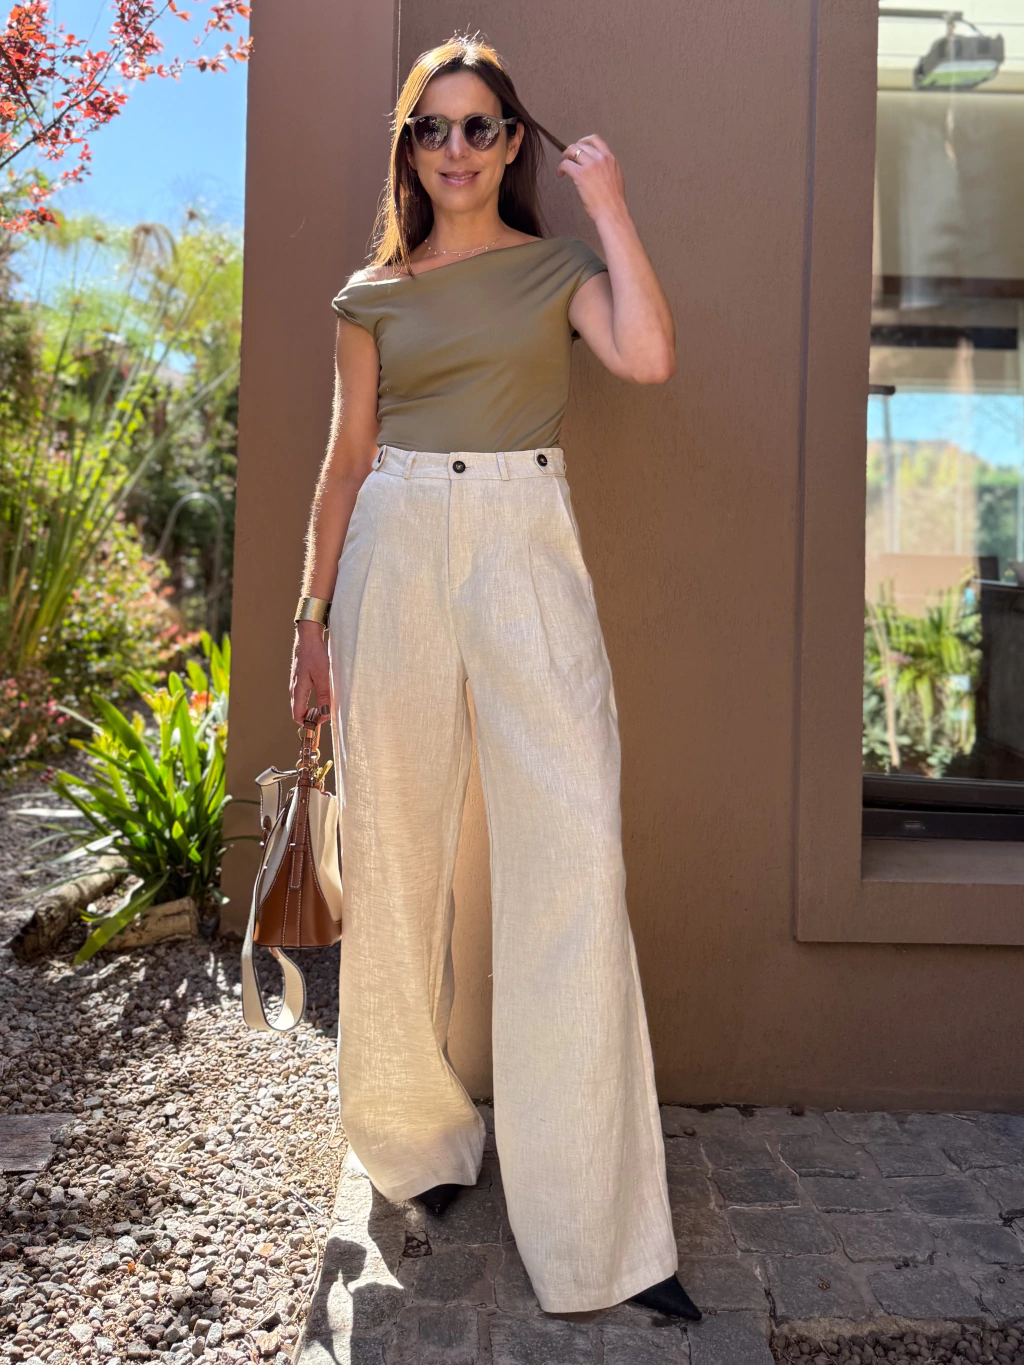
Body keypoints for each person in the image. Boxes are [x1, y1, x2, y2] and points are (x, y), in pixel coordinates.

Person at [289, 32, 701, 1321]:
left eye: (480, 126)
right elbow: (345, 462)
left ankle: (601, 1233)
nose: (457, 149)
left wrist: (611, 206)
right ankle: (416, 1140)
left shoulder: (558, 268)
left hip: (525, 536)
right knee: (398, 851)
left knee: (573, 854)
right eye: (434, 128)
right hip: (397, 543)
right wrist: (311, 620)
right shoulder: (370, 294)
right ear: (410, 149)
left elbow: (646, 356)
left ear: (512, 142)